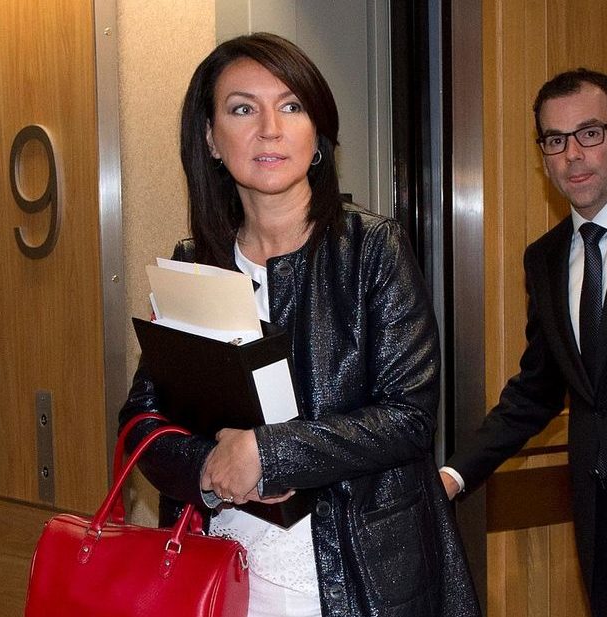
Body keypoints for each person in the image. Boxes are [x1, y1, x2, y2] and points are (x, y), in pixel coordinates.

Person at [120, 32, 480, 617]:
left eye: (290, 106)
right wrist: (209, 466)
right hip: (221, 576)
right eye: (243, 109)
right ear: (210, 138)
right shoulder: (196, 264)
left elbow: (409, 417)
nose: (270, 129)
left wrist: (270, 453)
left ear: (317, 134)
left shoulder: (373, 249)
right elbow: (142, 422)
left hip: (359, 579)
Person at [440, 68, 607, 617]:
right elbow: (537, 390)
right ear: (543, 157)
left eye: (589, 133)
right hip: (600, 532)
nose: (573, 154)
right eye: (555, 140)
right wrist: (452, 475)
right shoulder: (544, 258)